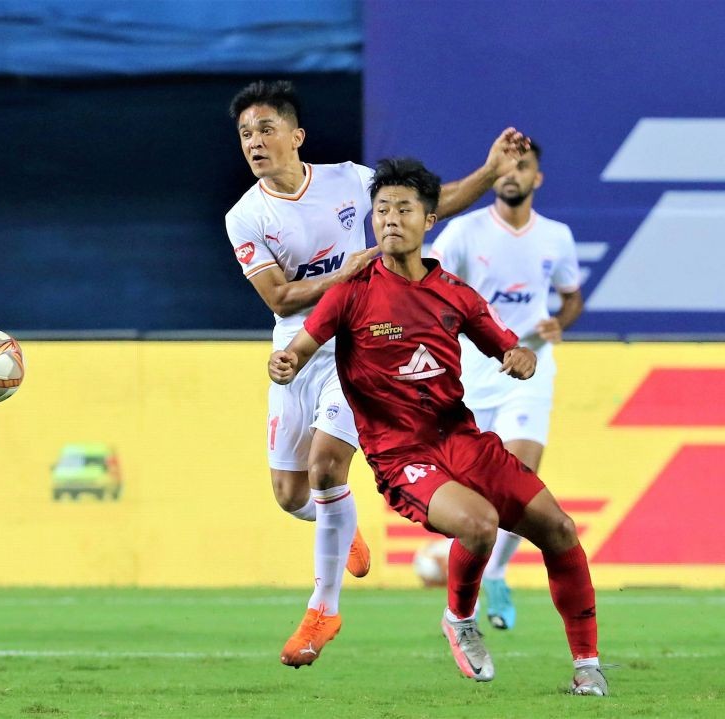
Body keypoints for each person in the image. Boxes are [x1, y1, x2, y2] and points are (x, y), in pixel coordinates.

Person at [268, 158, 607, 695]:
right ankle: (459, 619)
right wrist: (284, 362)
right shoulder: (351, 292)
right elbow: (299, 348)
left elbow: (508, 346)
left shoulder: (455, 292)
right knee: (479, 525)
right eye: (381, 210)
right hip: (401, 453)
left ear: (430, 221)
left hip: (462, 439)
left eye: (404, 209)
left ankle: (587, 667)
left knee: (561, 530)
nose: (390, 220)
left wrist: (521, 357)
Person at [226, 81, 530, 667]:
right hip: (297, 349)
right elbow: (281, 297)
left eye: (266, 129)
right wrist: (348, 270)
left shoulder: (346, 180)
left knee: (324, 464)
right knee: (292, 496)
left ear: (297, 136)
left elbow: (427, 200)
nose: (255, 143)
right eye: (245, 134)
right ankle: (339, 525)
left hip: (358, 344)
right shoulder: (246, 216)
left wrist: (490, 172)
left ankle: (324, 608)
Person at [430, 140, 583, 630]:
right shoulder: (463, 232)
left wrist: (562, 322)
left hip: (531, 367)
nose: (513, 174)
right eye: (507, 166)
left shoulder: (556, 237)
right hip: (473, 373)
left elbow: (571, 297)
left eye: (524, 167)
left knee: (520, 474)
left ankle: (494, 573)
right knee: (480, 490)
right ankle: (477, 571)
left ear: (537, 178)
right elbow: (426, 284)